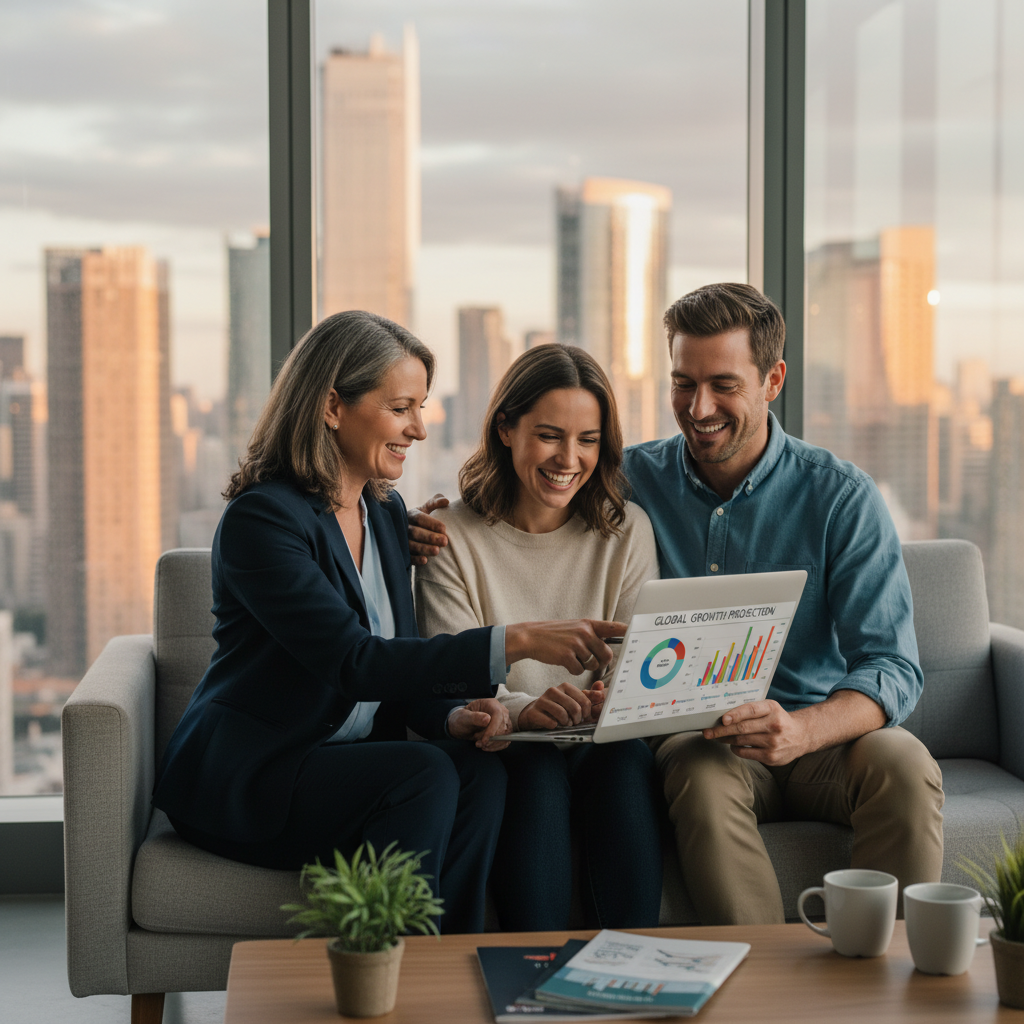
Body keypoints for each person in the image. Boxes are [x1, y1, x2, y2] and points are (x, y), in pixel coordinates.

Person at [410, 284, 944, 926]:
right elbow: (537, 490)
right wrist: (418, 522)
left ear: (772, 380)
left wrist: (801, 731)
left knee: (904, 761)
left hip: (817, 735)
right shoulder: (627, 479)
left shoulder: (839, 497)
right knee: (694, 768)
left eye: (723, 384)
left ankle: (893, 980)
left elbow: (893, 666)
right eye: (683, 383)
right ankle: (759, 987)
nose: (699, 407)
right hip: (707, 742)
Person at [152, 311, 625, 934]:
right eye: (402, 407)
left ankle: (455, 964)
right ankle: (396, 969)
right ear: (331, 406)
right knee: (422, 771)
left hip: (344, 765)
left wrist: (457, 716)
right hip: (256, 778)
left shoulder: (384, 513)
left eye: (421, 407)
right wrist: (520, 640)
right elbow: (356, 663)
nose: (419, 429)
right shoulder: (261, 522)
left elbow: (403, 668)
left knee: (477, 766)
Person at [414, 344, 664, 931]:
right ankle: (533, 982)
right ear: (506, 428)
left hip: (602, 742)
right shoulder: (446, 536)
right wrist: (527, 713)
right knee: (537, 772)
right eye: (550, 435)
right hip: (508, 748)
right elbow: (453, 668)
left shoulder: (627, 531)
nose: (568, 459)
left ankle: (631, 977)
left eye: (588, 440)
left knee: (626, 761)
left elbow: (635, 655)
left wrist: (608, 701)